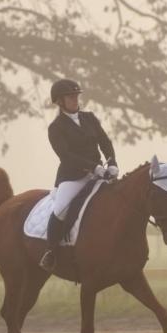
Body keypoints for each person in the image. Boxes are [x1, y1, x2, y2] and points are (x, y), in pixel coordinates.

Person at [39, 79, 118, 272]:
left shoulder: (89, 118)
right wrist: (93, 168)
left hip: (98, 172)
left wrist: (112, 162)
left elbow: (105, 142)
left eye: (76, 96)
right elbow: (66, 156)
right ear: (60, 101)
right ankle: (51, 251)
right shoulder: (56, 128)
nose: (75, 99)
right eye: (70, 97)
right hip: (72, 176)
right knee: (60, 209)